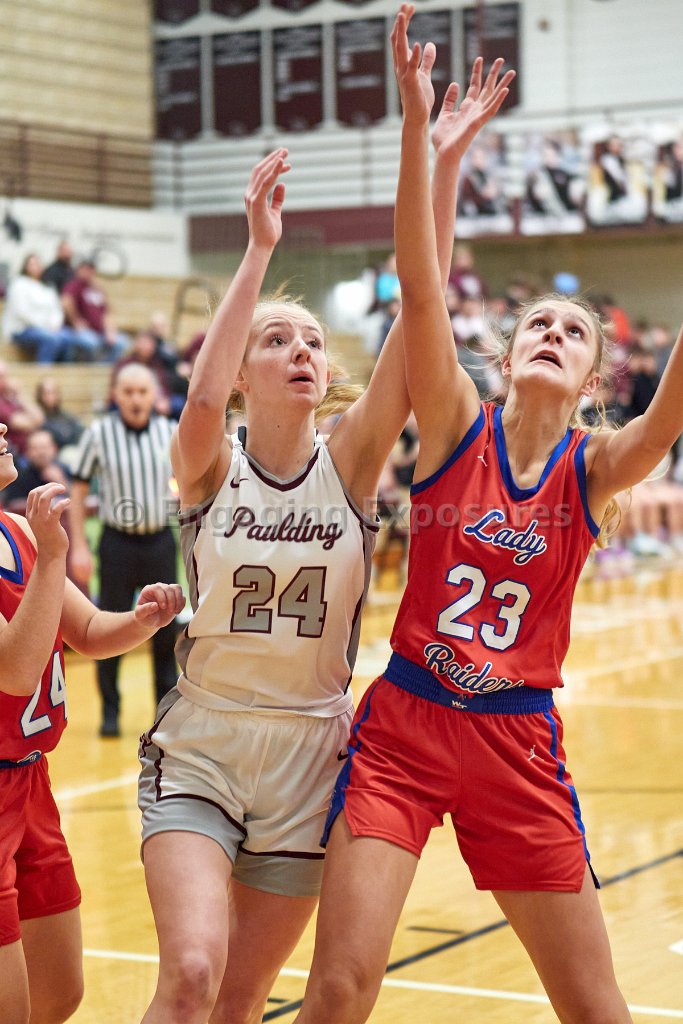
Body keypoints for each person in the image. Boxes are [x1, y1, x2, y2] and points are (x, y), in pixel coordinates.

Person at [295, 10, 676, 1022]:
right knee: (339, 985)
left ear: (592, 379)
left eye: (573, 332)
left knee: (594, 1004)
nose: (551, 332)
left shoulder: (594, 466)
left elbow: (665, 418)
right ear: (505, 358)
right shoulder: (455, 422)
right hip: (405, 726)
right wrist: (427, 137)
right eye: (535, 324)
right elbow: (419, 287)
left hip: (517, 742)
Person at [135, 64, 476, 1018]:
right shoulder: (209, 462)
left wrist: (438, 160)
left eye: (313, 343)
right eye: (277, 340)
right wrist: (258, 251)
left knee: (241, 999)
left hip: (310, 756)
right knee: (191, 974)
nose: (301, 352)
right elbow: (201, 397)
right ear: (245, 371)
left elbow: (421, 310)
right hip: (203, 741)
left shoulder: (352, 461)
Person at [0, 432, 184, 1024]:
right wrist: (56, 558)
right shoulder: (42, 544)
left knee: (58, 993)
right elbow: (15, 670)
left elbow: (89, 632)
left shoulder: (21, 532)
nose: (3, 431)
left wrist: (144, 619)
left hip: (30, 783)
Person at [69, 364, 178, 736]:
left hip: (159, 541)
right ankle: (110, 713)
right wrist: (79, 546)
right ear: (116, 395)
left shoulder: (170, 431)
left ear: (153, 396)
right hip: (116, 543)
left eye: (142, 391)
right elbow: (78, 491)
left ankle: (165, 715)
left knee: (165, 631)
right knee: (108, 628)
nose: (135, 399)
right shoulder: (98, 433)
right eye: (128, 392)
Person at [2, 255, 73, 364]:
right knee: (50, 339)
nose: (35, 267)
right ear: (25, 266)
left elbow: (56, 310)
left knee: (68, 338)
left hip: (49, 329)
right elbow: (21, 312)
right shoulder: (19, 284)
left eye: (37, 264)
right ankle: (43, 370)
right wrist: (45, 327)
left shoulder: (48, 287)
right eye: (31, 264)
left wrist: (55, 324)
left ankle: (63, 371)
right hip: (22, 329)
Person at [61, 260, 128, 362]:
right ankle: (95, 367)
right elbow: (66, 302)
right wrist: (75, 321)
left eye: (91, 269)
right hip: (80, 331)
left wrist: (110, 331)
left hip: (100, 332)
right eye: (85, 269)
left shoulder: (97, 289)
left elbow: (106, 312)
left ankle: (105, 367)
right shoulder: (74, 285)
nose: (88, 272)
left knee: (121, 342)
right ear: (78, 270)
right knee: (91, 342)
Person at [0, 362, 45, 459]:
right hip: (13, 455)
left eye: (5, 376)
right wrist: (20, 394)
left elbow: (40, 418)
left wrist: (20, 395)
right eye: (1, 376)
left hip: (24, 452)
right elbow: (26, 424)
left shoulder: (10, 398)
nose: (6, 380)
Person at [35, 378, 84, 453]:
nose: (50, 396)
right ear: (39, 396)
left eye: (53, 392)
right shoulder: (36, 418)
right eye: (46, 393)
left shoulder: (67, 416)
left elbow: (80, 434)